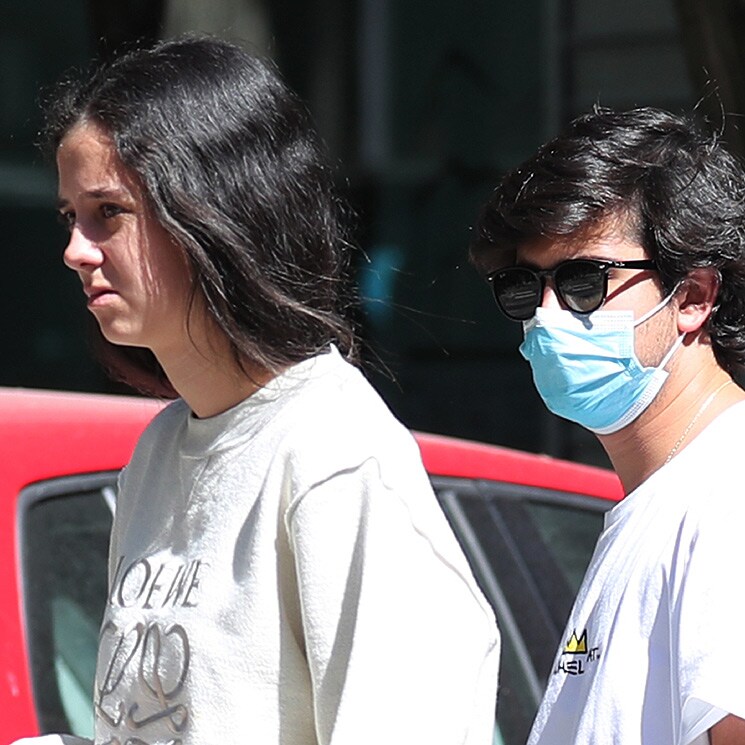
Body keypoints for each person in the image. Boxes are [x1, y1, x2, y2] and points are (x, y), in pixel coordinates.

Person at [17, 36, 500, 745]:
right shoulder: (157, 451)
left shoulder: (334, 452)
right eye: (69, 216)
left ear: (211, 208)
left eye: (107, 212)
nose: (75, 248)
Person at [470, 106, 745, 745]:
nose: (545, 316)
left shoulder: (726, 499)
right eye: (522, 287)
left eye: (583, 281)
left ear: (695, 296)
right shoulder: (666, 500)